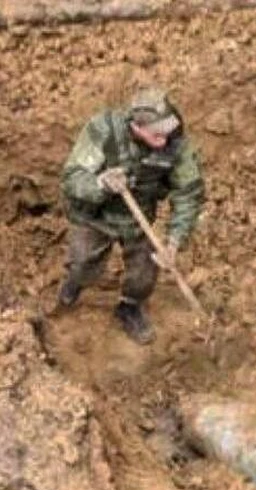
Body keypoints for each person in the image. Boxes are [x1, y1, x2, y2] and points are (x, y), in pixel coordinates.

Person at [57, 86, 206, 344]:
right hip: (96, 215)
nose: (164, 140)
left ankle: (129, 307)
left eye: (167, 132)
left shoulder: (175, 142)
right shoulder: (104, 130)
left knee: (144, 274)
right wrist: (101, 184)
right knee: (82, 263)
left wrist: (174, 241)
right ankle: (74, 285)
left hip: (138, 218)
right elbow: (72, 178)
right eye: (156, 135)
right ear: (136, 127)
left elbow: (188, 192)